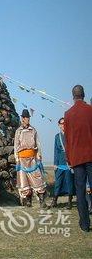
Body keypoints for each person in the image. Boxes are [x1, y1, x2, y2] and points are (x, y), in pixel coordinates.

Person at [64, 85, 92, 232]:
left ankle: (85, 225)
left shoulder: (68, 114)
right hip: (91, 155)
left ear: (73, 96)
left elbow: (67, 139)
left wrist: (69, 158)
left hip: (77, 158)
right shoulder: (91, 111)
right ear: (84, 95)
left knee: (80, 192)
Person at [14, 109, 47, 208]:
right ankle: (28, 201)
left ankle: (42, 201)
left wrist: (39, 156)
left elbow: (38, 144)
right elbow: (16, 145)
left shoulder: (33, 130)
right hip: (22, 159)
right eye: (26, 117)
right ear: (22, 118)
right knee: (24, 181)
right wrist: (17, 159)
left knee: (38, 180)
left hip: (32, 159)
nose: (28, 119)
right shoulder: (18, 131)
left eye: (28, 117)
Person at [50, 117, 75, 209]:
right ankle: (54, 200)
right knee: (58, 182)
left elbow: (73, 150)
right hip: (60, 162)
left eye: (64, 123)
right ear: (59, 125)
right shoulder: (57, 136)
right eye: (61, 123)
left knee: (69, 182)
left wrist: (73, 162)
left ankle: (69, 201)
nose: (63, 125)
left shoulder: (71, 135)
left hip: (69, 163)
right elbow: (56, 150)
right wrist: (55, 163)